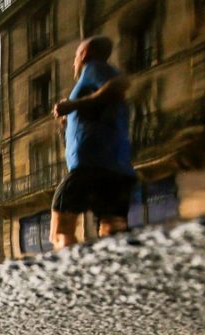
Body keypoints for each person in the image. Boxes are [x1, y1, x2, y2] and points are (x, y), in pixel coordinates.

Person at [50, 36, 135, 248]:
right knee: (112, 230)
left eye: (76, 56)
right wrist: (67, 120)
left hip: (89, 167)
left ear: (85, 54)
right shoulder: (93, 82)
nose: (73, 63)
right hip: (117, 169)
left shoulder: (93, 69)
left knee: (60, 231)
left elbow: (121, 84)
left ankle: (69, 277)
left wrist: (73, 105)